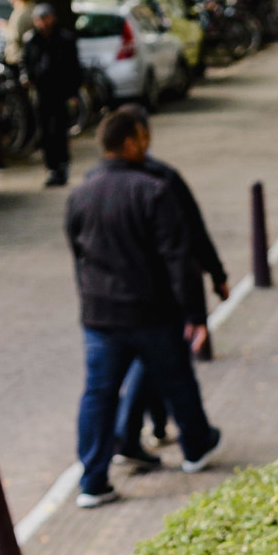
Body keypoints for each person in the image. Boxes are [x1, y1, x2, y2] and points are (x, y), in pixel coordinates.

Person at [65, 106, 222, 509]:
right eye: (144, 136)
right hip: (152, 314)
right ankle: (195, 447)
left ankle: (93, 480)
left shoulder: (80, 194)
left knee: (98, 394)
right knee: (177, 380)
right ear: (130, 143)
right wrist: (194, 314)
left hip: (100, 317)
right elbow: (178, 258)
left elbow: (78, 253)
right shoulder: (154, 190)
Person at [110, 117, 230, 468]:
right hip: (158, 298)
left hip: (117, 298)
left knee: (144, 364)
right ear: (136, 139)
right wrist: (211, 281)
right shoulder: (162, 180)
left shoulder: (100, 182)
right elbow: (190, 237)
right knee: (165, 366)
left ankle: (145, 432)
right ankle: (156, 438)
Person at [21, 3, 81, 187]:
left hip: (60, 91)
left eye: (46, 18)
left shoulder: (64, 39)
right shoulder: (31, 40)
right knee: (45, 131)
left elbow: (73, 67)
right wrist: (27, 77)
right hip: (41, 91)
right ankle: (52, 167)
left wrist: (73, 93)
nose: (43, 23)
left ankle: (62, 165)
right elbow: (26, 63)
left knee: (59, 129)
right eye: (40, 19)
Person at [0, 0, 36, 65]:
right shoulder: (33, 9)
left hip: (19, 57)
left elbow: (16, 36)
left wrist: (4, 27)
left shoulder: (20, 13)